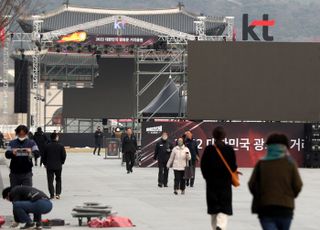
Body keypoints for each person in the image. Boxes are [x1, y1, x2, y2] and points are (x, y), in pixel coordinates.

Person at [248, 133, 303, 230]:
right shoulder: (290, 163)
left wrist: (261, 196)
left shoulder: (261, 163)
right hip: (286, 209)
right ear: (285, 147)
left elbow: (252, 184)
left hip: (266, 208)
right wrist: (289, 196)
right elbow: (298, 185)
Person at [200, 126, 238, 230]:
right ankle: (220, 226)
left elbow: (203, 166)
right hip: (225, 183)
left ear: (213, 136)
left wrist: (207, 177)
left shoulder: (209, 149)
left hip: (211, 183)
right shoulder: (229, 149)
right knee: (224, 207)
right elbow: (233, 166)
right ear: (224, 136)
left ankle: (215, 227)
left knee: (213, 208)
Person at [42, 132, 67, 200]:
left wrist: (45, 164)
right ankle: (58, 194)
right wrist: (61, 162)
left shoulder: (47, 146)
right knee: (58, 179)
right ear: (56, 137)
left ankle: (52, 194)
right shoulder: (61, 146)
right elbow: (64, 155)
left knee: (50, 180)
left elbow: (43, 156)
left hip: (49, 166)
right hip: (58, 165)